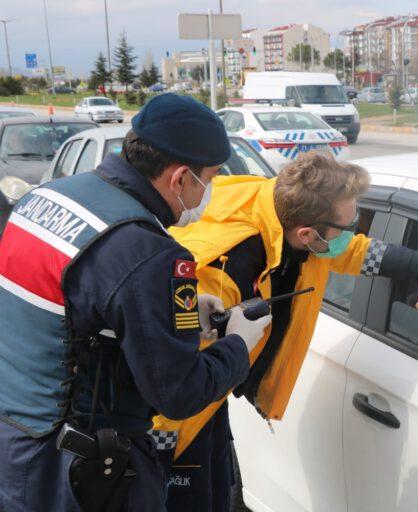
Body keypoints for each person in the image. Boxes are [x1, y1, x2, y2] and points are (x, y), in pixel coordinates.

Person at [152, 152, 418, 511]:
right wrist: (159, 450)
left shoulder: (280, 212)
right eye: (346, 225)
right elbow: (169, 377)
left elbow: (346, 251)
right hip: (172, 424)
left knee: (218, 493)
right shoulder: (225, 269)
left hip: (211, 402)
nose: (351, 233)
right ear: (307, 234)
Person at [0, 93, 271, 512]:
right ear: (180, 177)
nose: (210, 191)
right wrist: (238, 345)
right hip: (84, 473)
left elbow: (70, 305)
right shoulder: (148, 251)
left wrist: (171, 309)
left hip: (16, 439)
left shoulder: (46, 197)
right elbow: (178, 393)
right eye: (211, 178)